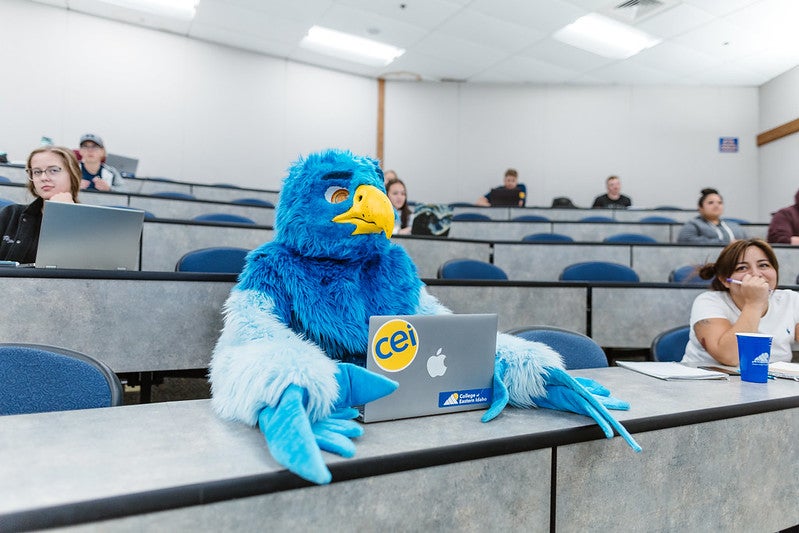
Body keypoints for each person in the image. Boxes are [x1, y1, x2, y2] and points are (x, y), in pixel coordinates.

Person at [681, 238, 799, 367]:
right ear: (725, 280)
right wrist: (754, 303)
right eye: (742, 268)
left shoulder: (790, 299)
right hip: (710, 383)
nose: (756, 274)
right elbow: (731, 357)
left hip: (774, 383)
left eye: (764, 265)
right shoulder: (708, 302)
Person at [0, 146, 81, 263]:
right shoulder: (11, 214)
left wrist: (63, 214)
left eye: (53, 170)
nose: (43, 178)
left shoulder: (89, 223)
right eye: (37, 172)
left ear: (72, 174)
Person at [676, 188, 746, 244]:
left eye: (720, 202)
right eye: (710, 203)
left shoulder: (734, 226)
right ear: (700, 207)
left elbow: (746, 243)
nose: (716, 205)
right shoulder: (693, 224)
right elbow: (685, 241)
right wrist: (726, 243)